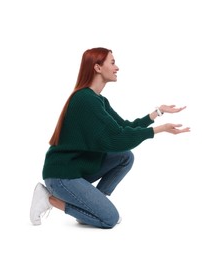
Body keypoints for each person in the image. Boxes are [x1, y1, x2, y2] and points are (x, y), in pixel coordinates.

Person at [30, 47, 190, 229]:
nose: (117, 68)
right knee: (109, 219)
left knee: (125, 156)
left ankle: (92, 207)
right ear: (97, 68)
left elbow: (124, 128)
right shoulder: (85, 100)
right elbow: (118, 139)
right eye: (112, 63)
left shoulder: (99, 100)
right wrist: (159, 130)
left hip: (76, 171)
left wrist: (157, 113)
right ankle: (49, 199)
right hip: (61, 176)